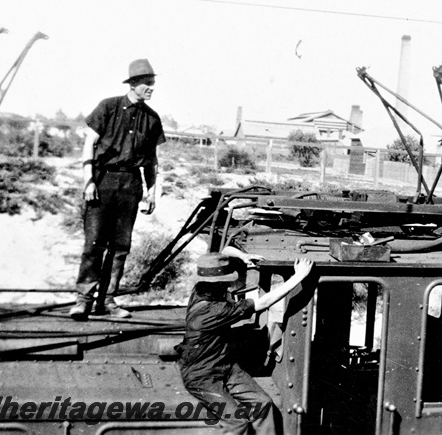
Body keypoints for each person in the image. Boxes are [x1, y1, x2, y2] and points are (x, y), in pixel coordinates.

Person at [69, 58, 166, 320]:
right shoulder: (108, 107)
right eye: (147, 83)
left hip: (131, 185)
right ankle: (83, 301)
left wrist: (152, 191)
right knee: (94, 244)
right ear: (133, 84)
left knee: (120, 246)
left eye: (153, 83)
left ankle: (108, 301)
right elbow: (89, 144)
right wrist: (88, 180)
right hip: (103, 181)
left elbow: (152, 160)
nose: (151, 88)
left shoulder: (152, 118)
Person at [177, 253, 314, 435]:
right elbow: (264, 302)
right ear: (219, 283)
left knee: (263, 404)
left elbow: (224, 250)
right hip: (201, 376)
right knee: (236, 422)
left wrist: (244, 256)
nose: (229, 284)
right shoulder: (214, 311)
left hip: (225, 366)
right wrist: (299, 276)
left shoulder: (199, 290)